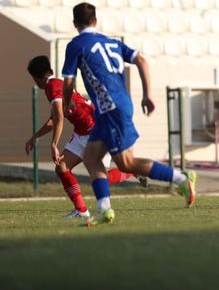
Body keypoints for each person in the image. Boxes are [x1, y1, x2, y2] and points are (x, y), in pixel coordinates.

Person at [61, 2, 196, 226]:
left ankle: (181, 178)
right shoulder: (112, 42)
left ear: (75, 23)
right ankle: (104, 208)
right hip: (113, 107)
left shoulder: (76, 45)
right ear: (95, 21)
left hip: (110, 108)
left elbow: (67, 80)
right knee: (91, 157)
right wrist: (147, 94)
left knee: (126, 163)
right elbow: (141, 59)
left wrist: (67, 104)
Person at [25, 55, 147, 219]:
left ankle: (131, 171)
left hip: (97, 131)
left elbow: (59, 118)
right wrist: (35, 137)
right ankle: (81, 210)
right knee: (62, 167)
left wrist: (54, 145)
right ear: (50, 71)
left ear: (36, 78)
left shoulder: (52, 88)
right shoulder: (55, 84)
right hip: (82, 132)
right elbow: (55, 117)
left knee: (100, 179)